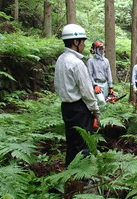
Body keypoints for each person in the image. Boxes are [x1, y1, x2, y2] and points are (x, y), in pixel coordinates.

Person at [54, 24, 100, 167]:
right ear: (75, 42)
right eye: (83, 41)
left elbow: (56, 85)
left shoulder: (60, 60)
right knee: (84, 144)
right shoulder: (77, 63)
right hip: (80, 108)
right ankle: (84, 180)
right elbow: (87, 92)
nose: (84, 45)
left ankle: (70, 175)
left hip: (66, 108)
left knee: (72, 143)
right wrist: (95, 111)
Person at [87, 40, 114, 105]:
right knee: (102, 101)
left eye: (102, 48)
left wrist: (110, 86)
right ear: (95, 50)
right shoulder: (91, 61)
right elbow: (89, 75)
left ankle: (102, 115)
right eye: (100, 49)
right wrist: (94, 85)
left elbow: (109, 74)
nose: (102, 50)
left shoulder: (106, 61)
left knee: (105, 101)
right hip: (97, 84)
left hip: (105, 84)